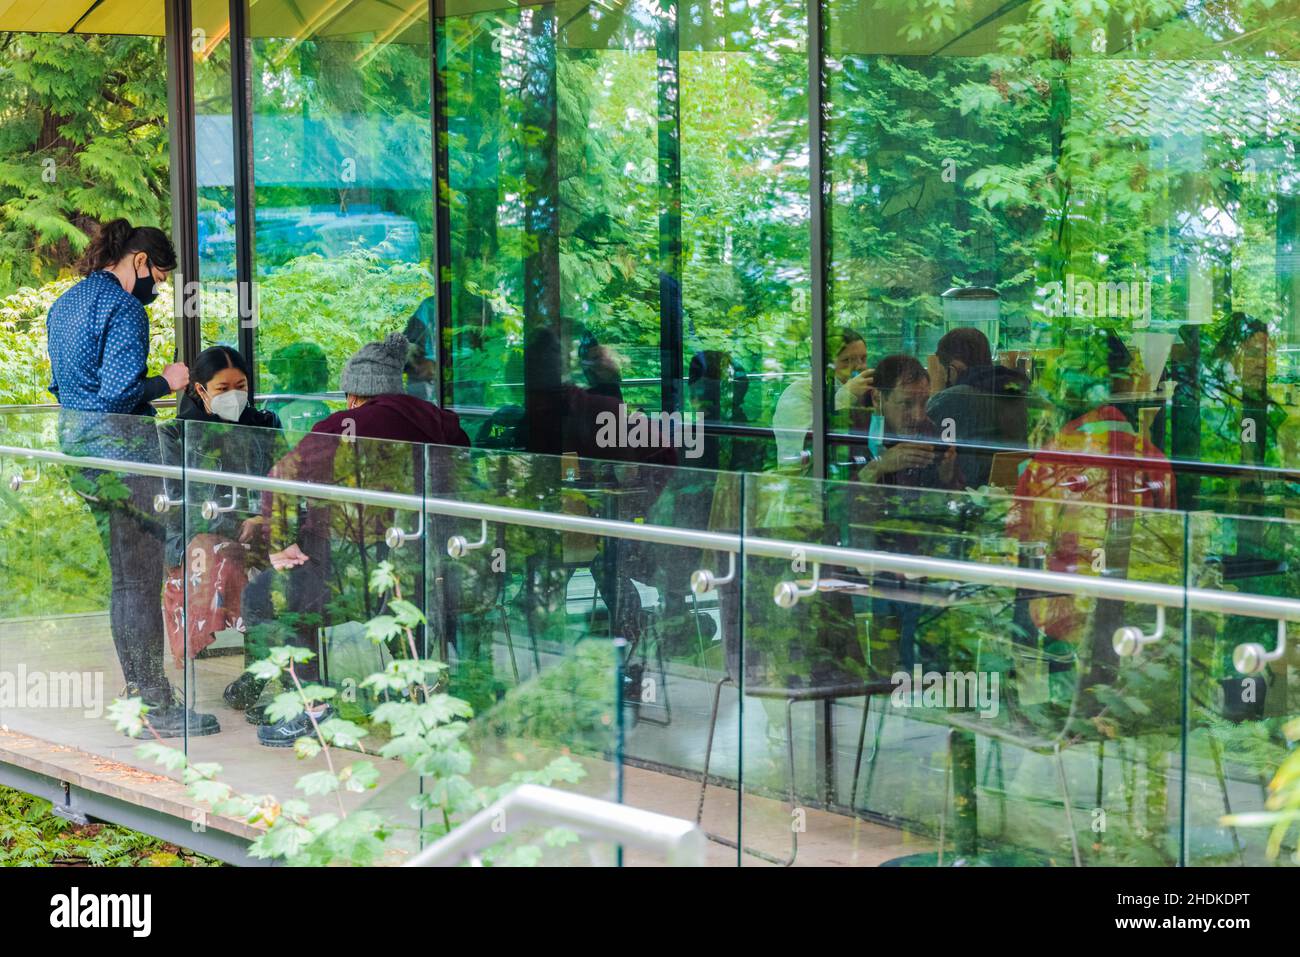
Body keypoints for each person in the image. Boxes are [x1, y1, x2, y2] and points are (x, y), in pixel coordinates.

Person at [254, 333, 471, 746]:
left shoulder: (338, 427)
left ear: (355, 393)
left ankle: (310, 709)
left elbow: (280, 478)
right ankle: (427, 701)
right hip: (431, 563)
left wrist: (280, 542)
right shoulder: (442, 423)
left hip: (353, 569)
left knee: (272, 594)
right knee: (396, 609)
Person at [45, 218, 214, 738]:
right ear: (139, 261)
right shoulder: (123, 308)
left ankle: (140, 689)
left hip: (80, 453)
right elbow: (120, 394)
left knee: (125, 581)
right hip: (125, 461)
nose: (157, 290)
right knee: (140, 582)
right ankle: (154, 702)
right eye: (159, 277)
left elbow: (61, 384)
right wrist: (171, 379)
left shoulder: (66, 303)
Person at [157, 346, 282, 716]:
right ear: (200, 390)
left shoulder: (264, 424)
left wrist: (265, 518)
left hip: (262, 529)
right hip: (197, 538)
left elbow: (286, 481)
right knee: (234, 562)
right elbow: (180, 505)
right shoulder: (176, 435)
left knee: (298, 562)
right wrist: (235, 524)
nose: (234, 396)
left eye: (240, 386)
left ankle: (267, 675)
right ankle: (264, 671)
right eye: (222, 388)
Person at [771, 326, 873, 471]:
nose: (859, 367)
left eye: (863, 358)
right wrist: (847, 395)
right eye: (846, 360)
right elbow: (810, 445)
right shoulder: (799, 393)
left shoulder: (864, 393)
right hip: (803, 480)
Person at [859, 354, 958, 489]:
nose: (918, 416)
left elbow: (950, 496)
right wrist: (878, 467)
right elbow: (835, 495)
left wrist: (946, 477)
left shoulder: (929, 432)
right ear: (877, 399)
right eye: (906, 403)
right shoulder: (852, 429)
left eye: (924, 403)